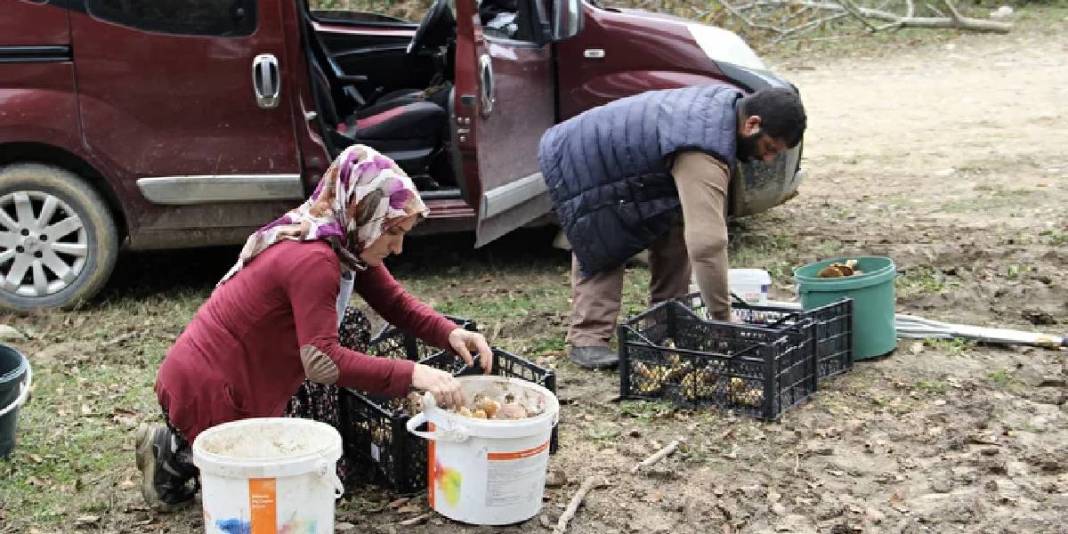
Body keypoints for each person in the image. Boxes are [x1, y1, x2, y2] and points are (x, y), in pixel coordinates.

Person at [134, 144, 492, 511]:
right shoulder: (315, 259)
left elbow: (394, 302)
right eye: (393, 232)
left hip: (241, 373)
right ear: (361, 210)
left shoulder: (344, 240)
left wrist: (449, 333)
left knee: (347, 333)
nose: (398, 248)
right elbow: (323, 361)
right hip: (210, 388)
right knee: (262, 497)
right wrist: (414, 373)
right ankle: (173, 452)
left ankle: (183, 448)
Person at [538, 86, 806, 369]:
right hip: (587, 155)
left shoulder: (725, 115)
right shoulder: (703, 149)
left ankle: (666, 322)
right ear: (752, 124)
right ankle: (588, 338)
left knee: (676, 221)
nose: (768, 159)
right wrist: (723, 318)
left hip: (632, 157)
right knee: (605, 234)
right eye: (769, 148)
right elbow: (707, 245)